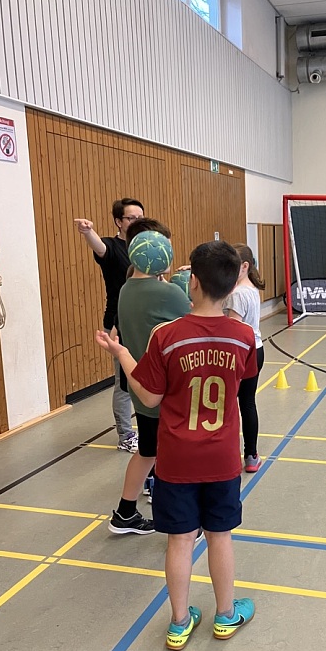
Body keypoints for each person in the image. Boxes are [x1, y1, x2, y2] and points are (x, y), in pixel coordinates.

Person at [96, 240, 257, 650]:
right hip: (222, 458)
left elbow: (149, 397)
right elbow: (241, 383)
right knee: (220, 536)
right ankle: (225, 615)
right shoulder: (242, 337)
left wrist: (122, 354)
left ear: (194, 283)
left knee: (180, 540)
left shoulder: (166, 336)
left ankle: (180, 622)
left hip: (176, 460)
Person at [108, 219, 192, 536]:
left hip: (140, 386)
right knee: (173, 458)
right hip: (165, 391)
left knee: (148, 452)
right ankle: (178, 519)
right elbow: (199, 317)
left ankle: (126, 513)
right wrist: (187, 282)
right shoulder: (166, 292)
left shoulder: (127, 288)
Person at [75, 198, 144, 453]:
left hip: (144, 323)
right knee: (124, 383)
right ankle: (126, 435)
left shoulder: (146, 247)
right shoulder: (113, 247)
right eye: (131, 218)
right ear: (119, 221)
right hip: (119, 325)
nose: (137, 222)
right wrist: (87, 231)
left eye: (141, 217)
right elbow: (99, 247)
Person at [223, 244, 265, 473]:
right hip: (256, 350)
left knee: (232, 404)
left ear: (245, 266)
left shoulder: (238, 294)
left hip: (242, 353)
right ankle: (251, 455)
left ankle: (234, 454)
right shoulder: (248, 288)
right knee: (247, 403)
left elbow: (234, 328)